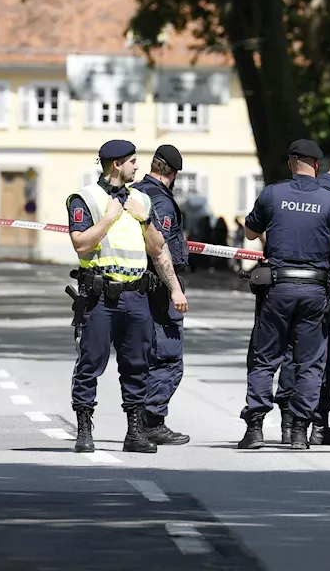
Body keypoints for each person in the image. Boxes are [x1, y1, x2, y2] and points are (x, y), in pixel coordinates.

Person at [237, 139, 330, 450]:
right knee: (310, 363)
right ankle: (299, 432)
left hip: (278, 288)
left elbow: (251, 232)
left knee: (265, 358)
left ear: (293, 162)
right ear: (316, 166)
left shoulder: (272, 193)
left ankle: (255, 428)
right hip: (315, 291)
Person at [66, 139, 189, 454]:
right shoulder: (86, 199)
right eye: (133, 161)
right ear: (117, 164)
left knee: (137, 365)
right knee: (90, 362)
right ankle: (84, 429)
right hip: (99, 296)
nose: (138, 166)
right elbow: (81, 245)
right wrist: (108, 217)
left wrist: (174, 287)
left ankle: (135, 432)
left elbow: (158, 250)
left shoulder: (141, 200)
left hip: (136, 297)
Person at [273, 152, 330, 445]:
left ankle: (288, 422)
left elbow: (267, 232)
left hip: (288, 285)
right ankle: (318, 425)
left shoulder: (295, 190)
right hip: (327, 289)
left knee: (291, 352)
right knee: (324, 355)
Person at [131, 144, 192, 445]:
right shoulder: (162, 203)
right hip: (158, 287)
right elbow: (160, 250)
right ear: (174, 173)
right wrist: (175, 288)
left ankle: (138, 422)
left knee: (142, 356)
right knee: (167, 358)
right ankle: (152, 421)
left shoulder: (135, 192)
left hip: (134, 286)